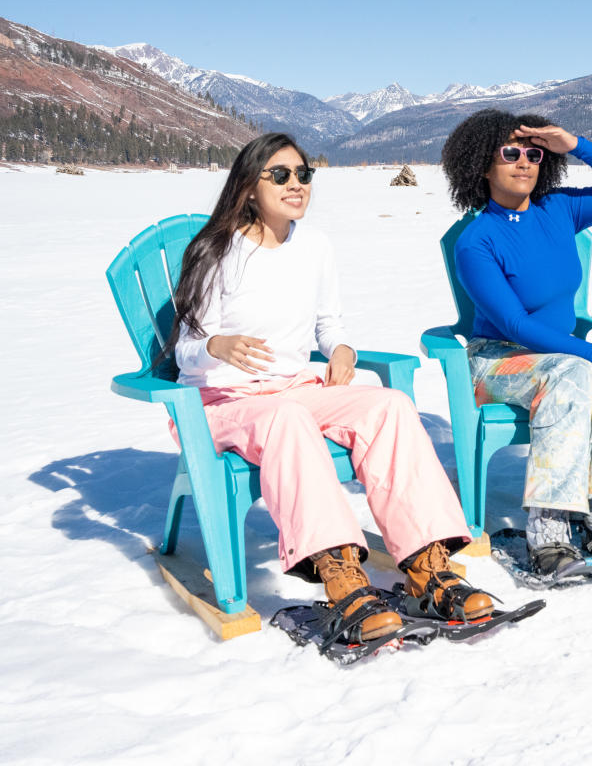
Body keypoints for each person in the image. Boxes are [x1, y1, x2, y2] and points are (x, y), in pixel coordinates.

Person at [164, 132, 495, 641]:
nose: (296, 184)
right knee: (288, 417)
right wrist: (217, 345)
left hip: (293, 388)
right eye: (280, 175)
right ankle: (342, 579)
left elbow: (328, 324)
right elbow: (186, 349)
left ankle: (427, 566)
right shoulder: (215, 251)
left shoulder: (314, 245)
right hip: (222, 401)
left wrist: (342, 349)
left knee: (389, 406)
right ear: (249, 186)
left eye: (303, 174)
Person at [441, 109, 592, 576]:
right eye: (509, 153)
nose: (524, 162)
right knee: (576, 370)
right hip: (498, 360)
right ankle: (549, 535)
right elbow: (515, 324)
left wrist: (574, 145)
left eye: (533, 154)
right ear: (482, 166)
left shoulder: (558, 209)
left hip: (559, 355)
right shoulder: (476, 242)